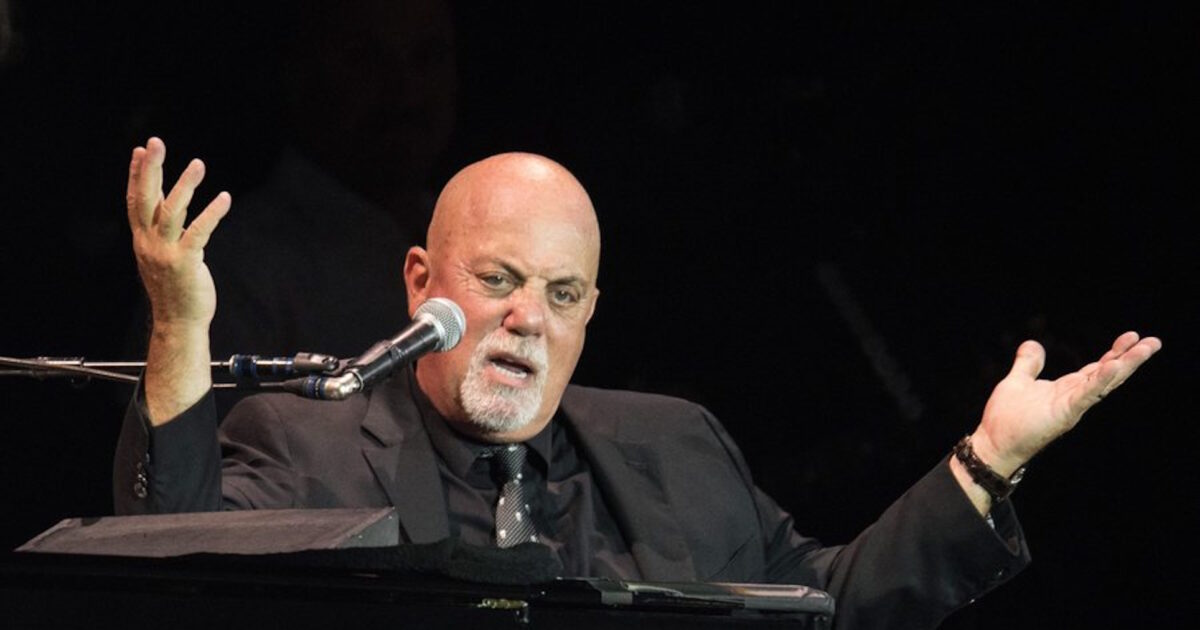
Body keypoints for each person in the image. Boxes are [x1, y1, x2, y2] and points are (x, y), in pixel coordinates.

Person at [115, 137, 1162, 629]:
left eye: (562, 294)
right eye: (498, 281)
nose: (529, 317)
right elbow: (163, 563)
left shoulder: (678, 447)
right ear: (420, 282)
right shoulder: (307, 445)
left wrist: (989, 461)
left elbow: (830, 607)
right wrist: (178, 324)